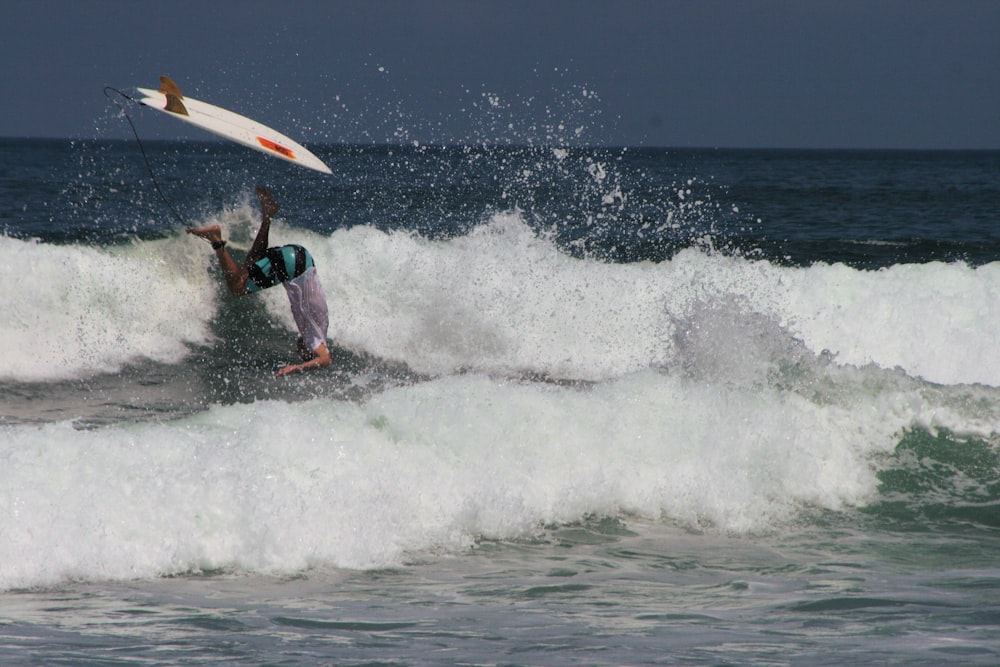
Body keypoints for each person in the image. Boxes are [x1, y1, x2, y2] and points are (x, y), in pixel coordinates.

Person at [187, 185, 331, 377]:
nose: (298, 351)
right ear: (309, 352)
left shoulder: (319, 325)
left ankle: (268, 216)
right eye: (303, 354)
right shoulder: (314, 339)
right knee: (237, 287)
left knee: (248, 266)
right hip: (294, 267)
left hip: (302, 259)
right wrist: (295, 368)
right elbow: (325, 359)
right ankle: (216, 240)